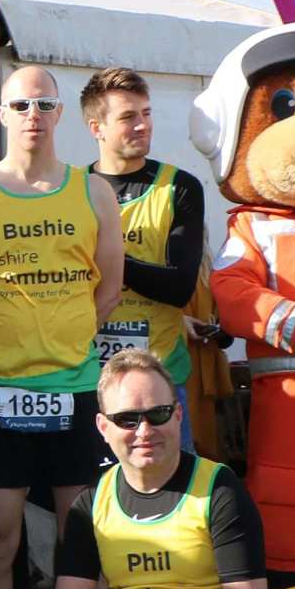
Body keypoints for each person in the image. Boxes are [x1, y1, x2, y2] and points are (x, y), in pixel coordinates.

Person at [0, 65, 124, 589]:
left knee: (82, 540)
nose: (33, 116)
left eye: (44, 105)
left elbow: (108, 291)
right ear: (2, 115)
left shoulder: (94, 192)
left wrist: (60, 342)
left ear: (61, 112)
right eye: (20, 106)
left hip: (76, 387)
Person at [52, 350, 269, 589]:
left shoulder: (220, 489)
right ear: (103, 427)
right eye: (127, 419)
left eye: (158, 414)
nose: (144, 431)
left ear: (178, 415)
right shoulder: (90, 502)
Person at [81, 68, 209, 452]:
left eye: (146, 113)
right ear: (96, 127)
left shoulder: (179, 187)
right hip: (89, 376)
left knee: (170, 497)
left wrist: (110, 258)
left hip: (160, 379)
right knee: (93, 499)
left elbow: (179, 287)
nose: (142, 125)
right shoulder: (73, 190)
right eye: (127, 117)